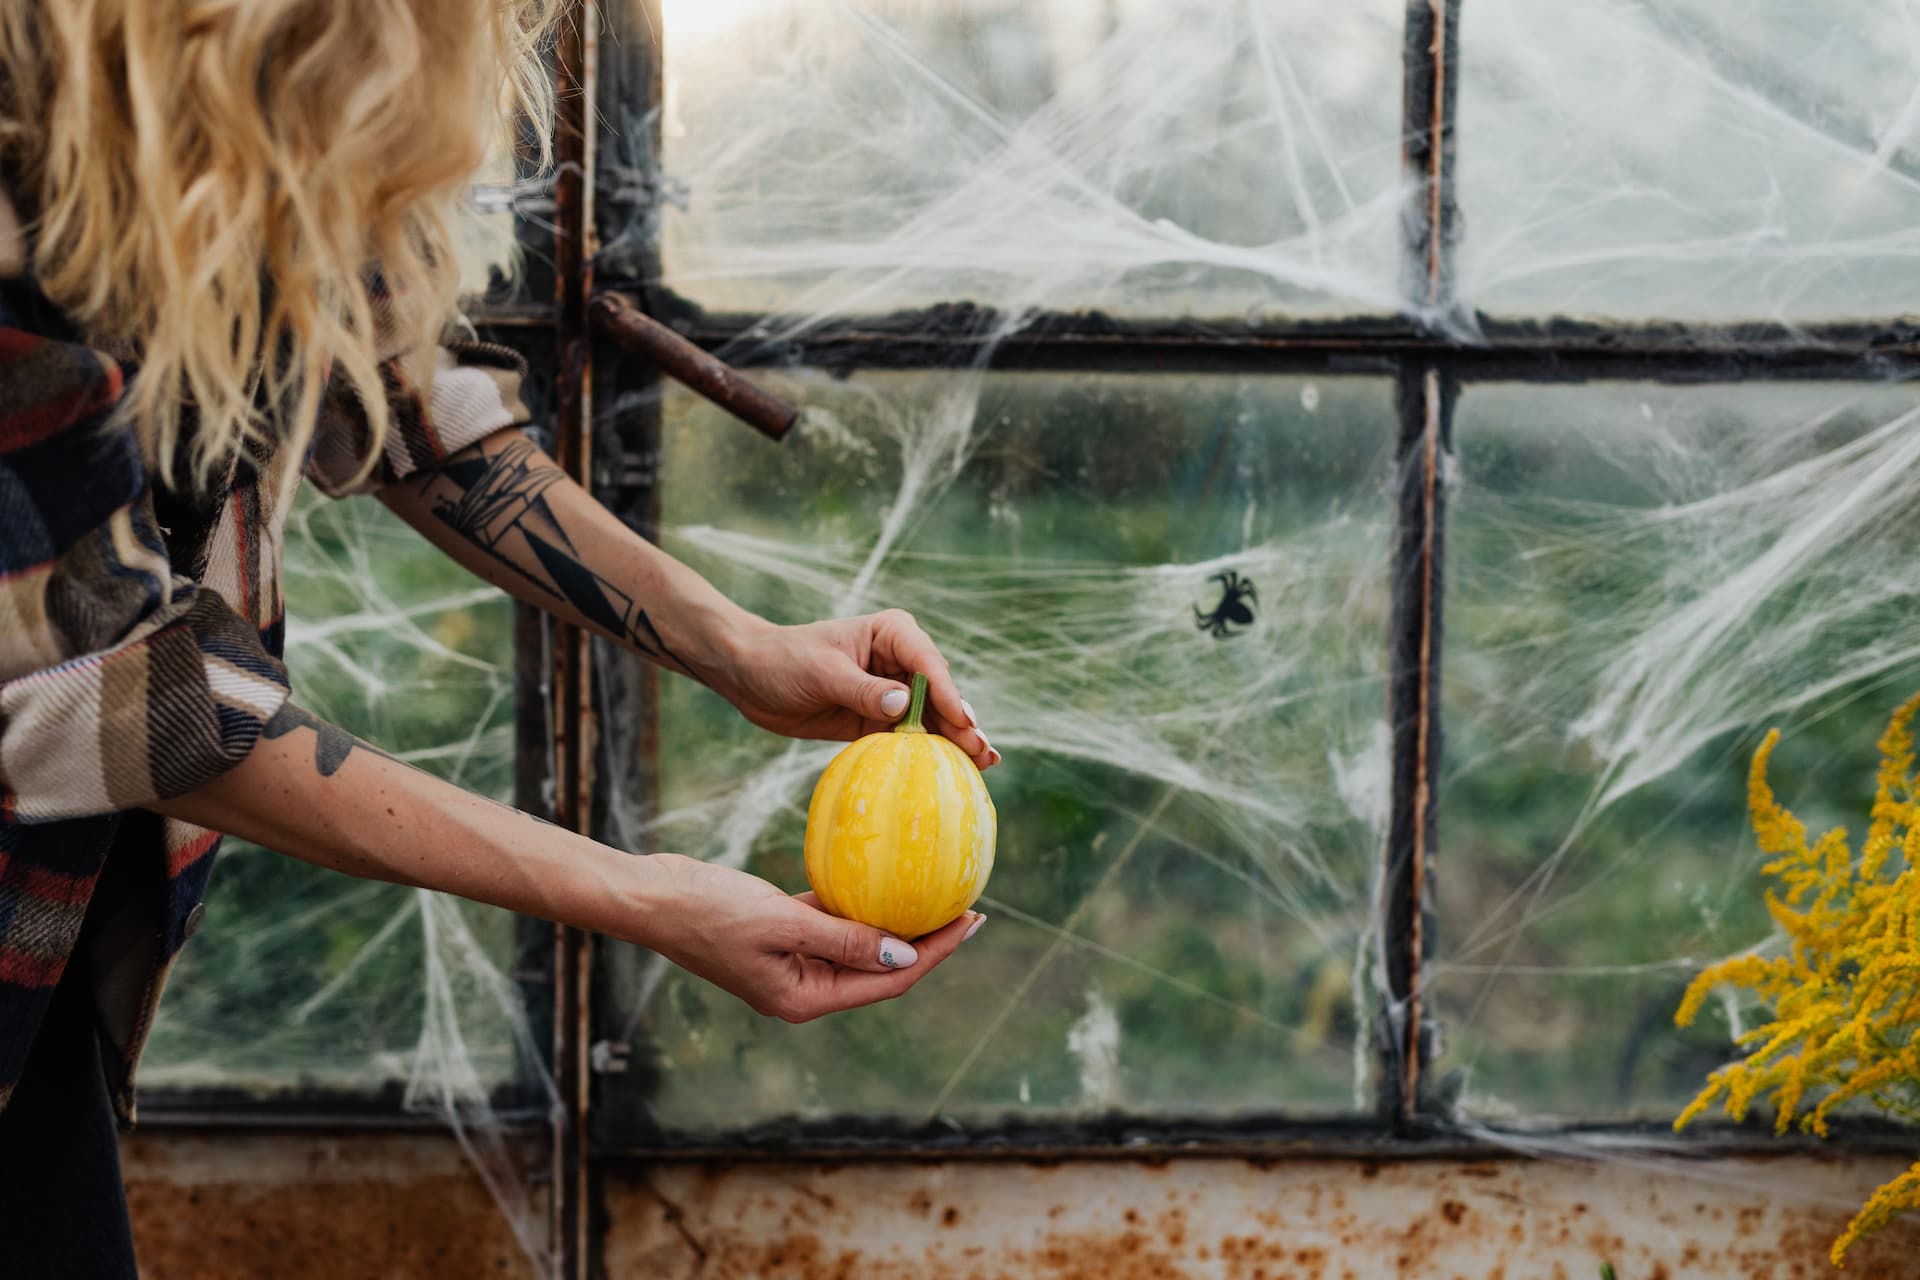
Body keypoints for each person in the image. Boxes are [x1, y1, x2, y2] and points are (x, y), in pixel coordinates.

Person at [0, 2, 998, 1273]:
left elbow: (404, 399)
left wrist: (739, 645)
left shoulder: (236, 132)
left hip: (48, 939)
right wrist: (649, 898)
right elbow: (140, 693)